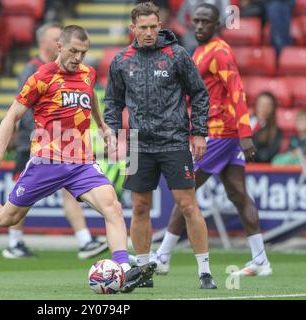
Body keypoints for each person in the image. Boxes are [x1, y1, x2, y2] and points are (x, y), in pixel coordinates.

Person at [0, 25, 156, 293]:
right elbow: (11, 117)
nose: (78, 57)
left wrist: (102, 127)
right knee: (6, 218)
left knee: (111, 206)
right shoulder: (41, 78)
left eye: (84, 52)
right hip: (47, 161)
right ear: (59, 47)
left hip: (81, 162)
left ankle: (123, 269)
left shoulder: (88, 74)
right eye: (74, 51)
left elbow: (91, 100)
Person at [104, 2, 216, 289]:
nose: (150, 32)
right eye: (144, 28)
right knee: (140, 207)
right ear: (134, 29)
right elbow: (112, 102)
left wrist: (199, 133)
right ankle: (142, 271)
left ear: (160, 24)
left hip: (174, 141)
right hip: (138, 144)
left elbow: (200, 94)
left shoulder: (177, 55)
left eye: (154, 26)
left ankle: (205, 271)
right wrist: (114, 133)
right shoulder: (121, 60)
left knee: (188, 205)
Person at [155, 3, 272, 277]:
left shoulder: (220, 52)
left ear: (217, 25)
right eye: (196, 21)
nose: (198, 26)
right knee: (238, 193)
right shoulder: (200, 51)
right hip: (221, 133)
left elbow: (237, 91)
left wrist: (245, 134)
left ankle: (162, 256)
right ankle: (261, 260)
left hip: (219, 133)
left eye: (205, 22)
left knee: (185, 191)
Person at [3, 22, 108, 260]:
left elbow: (88, 97)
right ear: (45, 43)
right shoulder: (33, 70)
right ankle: (14, 241)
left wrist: (99, 124)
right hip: (35, 142)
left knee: (71, 192)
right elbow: (23, 108)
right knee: (22, 196)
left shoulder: (76, 71)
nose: (58, 44)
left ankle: (84, 240)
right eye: (54, 40)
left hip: (67, 149)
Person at [251, 92, 283, 163]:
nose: (263, 108)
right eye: (261, 104)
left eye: (268, 105)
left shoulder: (276, 132)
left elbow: (265, 156)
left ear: (273, 109)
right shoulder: (244, 123)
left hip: (259, 170)